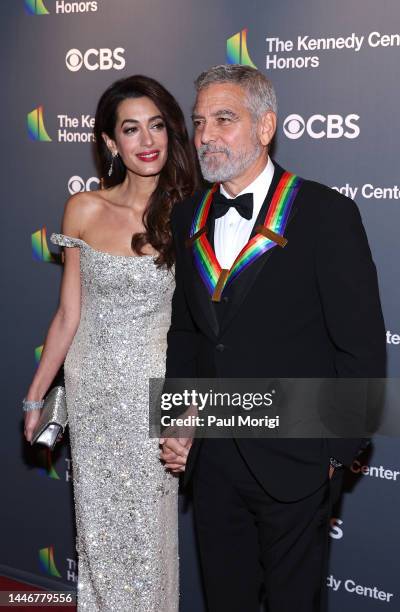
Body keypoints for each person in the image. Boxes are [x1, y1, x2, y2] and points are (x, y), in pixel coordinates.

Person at [161, 64, 386, 612]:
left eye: (223, 119)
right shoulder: (189, 215)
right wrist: (177, 420)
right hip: (213, 463)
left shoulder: (326, 213)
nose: (205, 135)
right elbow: (188, 332)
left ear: (265, 128)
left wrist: (331, 455)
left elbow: (360, 348)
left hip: (295, 461)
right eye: (198, 122)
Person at [23, 74, 197, 611]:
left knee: (147, 543)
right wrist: (36, 397)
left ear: (170, 134)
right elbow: (68, 314)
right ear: (109, 142)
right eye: (130, 129)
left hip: (153, 394)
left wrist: (187, 409)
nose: (147, 140)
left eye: (157, 126)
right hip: (92, 392)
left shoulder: (193, 213)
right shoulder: (83, 209)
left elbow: (201, 329)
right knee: (97, 538)